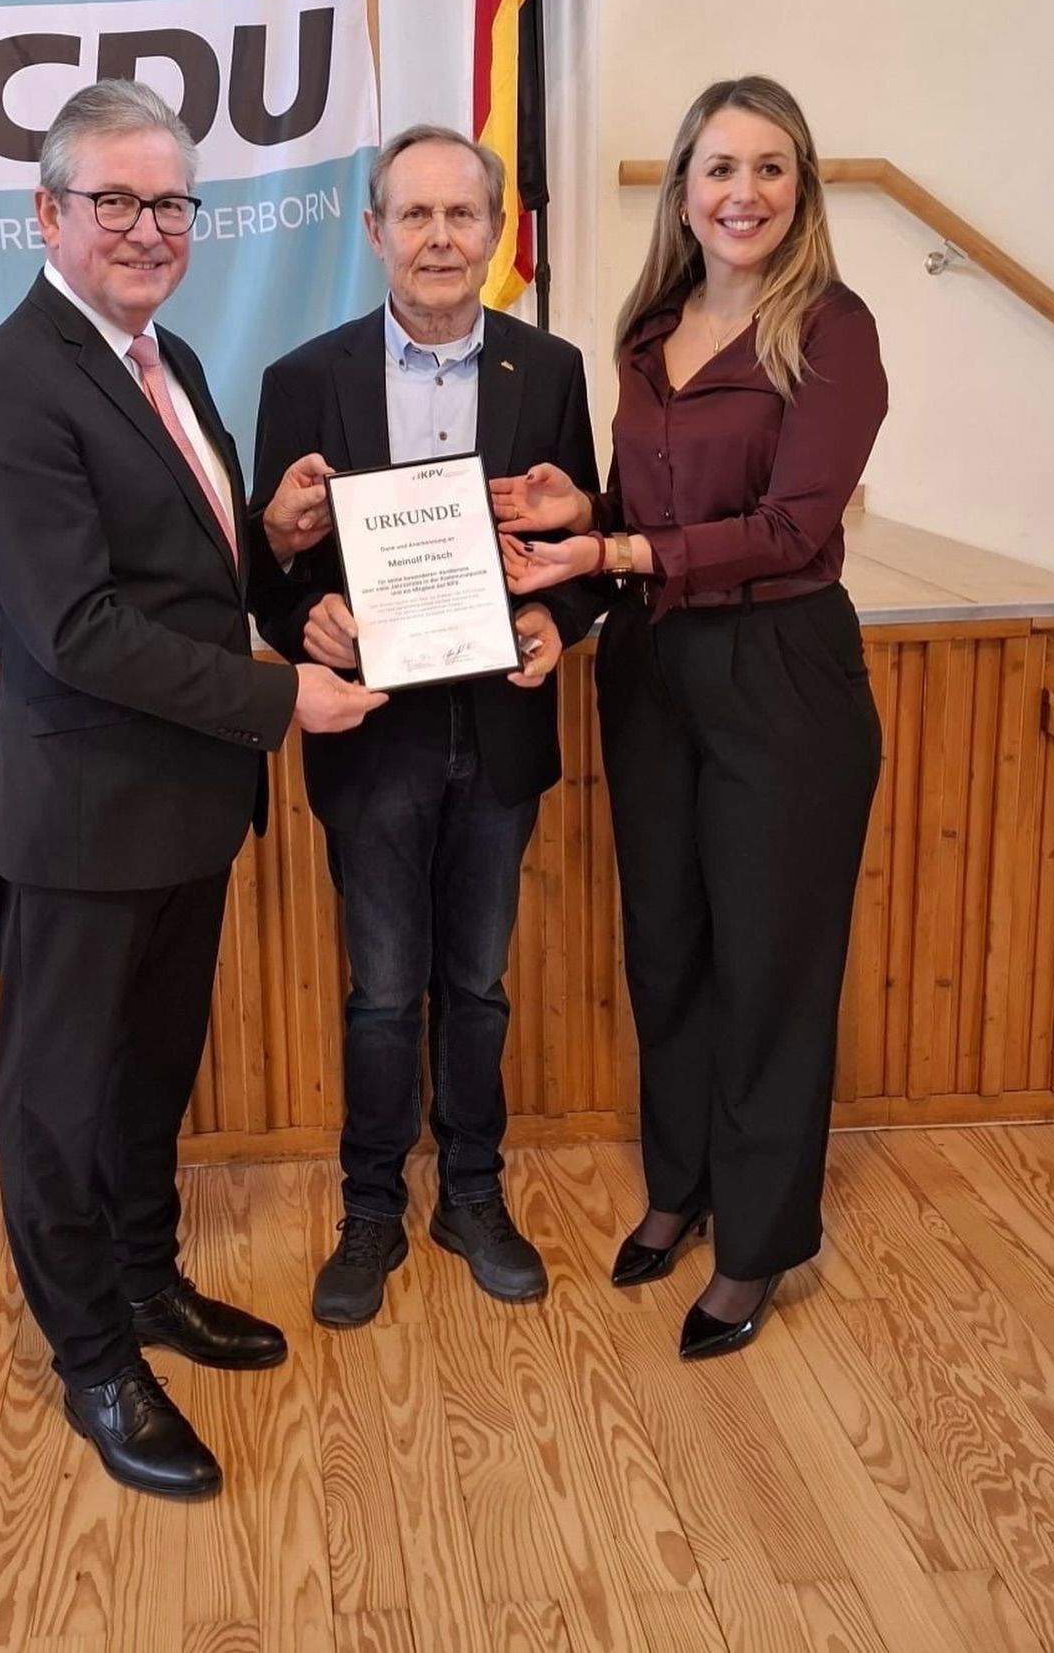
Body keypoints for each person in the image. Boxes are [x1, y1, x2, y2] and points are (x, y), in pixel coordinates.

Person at [0, 79, 384, 1498]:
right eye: (115, 200)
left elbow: (174, 571)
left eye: (170, 201)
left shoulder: (165, 356)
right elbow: (75, 628)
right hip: (79, 825)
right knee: (59, 1108)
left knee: (149, 1083)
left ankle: (144, 1281)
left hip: (184, 810)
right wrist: (281, 697)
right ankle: (93, 1362)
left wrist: (272, 537)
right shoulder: (8, 386)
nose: (147, 227)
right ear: (48, 213)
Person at [495, 76, 886, 1359]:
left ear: (801, 189)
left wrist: (613, 545)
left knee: (772, 964)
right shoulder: (649, 329)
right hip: (655, 666)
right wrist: (582, 512)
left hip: (781, 668)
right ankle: (683, 1184)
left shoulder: (830, 328)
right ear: (682, 190)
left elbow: (791, 527)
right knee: (666, 943)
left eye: (771, 167)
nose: (744, 192)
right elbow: (641, 511)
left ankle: (760, 1239)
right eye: (721, 167)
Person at [250, 123, 603, 1327]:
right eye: (416, 214)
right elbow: (272, 564)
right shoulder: (305, 379)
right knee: (384, 990)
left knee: (479, 982)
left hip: (498, 729)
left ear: (496, 233)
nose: (440, 237)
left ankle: (473, 1193)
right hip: (376, 735)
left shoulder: (548, 371)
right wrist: (308, 619)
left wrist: (563, 621)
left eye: (463, 215)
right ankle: (370, 1208)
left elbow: (582, 542)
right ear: (375, 230)